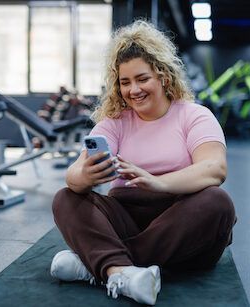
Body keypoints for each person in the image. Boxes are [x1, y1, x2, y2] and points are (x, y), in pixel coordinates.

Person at [50, 20, 236, 305]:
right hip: (127, 214)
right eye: (125, 82)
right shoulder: (114, 122)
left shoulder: (194, 116)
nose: (133, 89)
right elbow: (73, 174)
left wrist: (158, 182)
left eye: (142, 78)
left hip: (180, 222)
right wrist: (84, 175)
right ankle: (122, 271)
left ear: (162, 76)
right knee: (66, 198)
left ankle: (98, 265)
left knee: (217, 202)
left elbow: (214, 168)